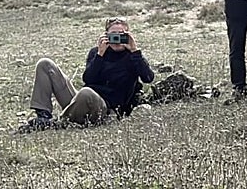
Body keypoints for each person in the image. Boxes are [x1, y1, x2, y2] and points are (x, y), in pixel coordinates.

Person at [20, 17, 155, 132]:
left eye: (122, 35)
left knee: (86, 93)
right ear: (105, 36)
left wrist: (134, 50)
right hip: (83, 101)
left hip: (106, 109)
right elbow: (88, 79)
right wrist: (100, 55)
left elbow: (148, 78)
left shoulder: (133, 57)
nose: (117, 39)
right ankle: (43, 115)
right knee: (45, 64)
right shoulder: (97, 52)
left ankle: (56, 123)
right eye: (113, 35)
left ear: (128, 36)